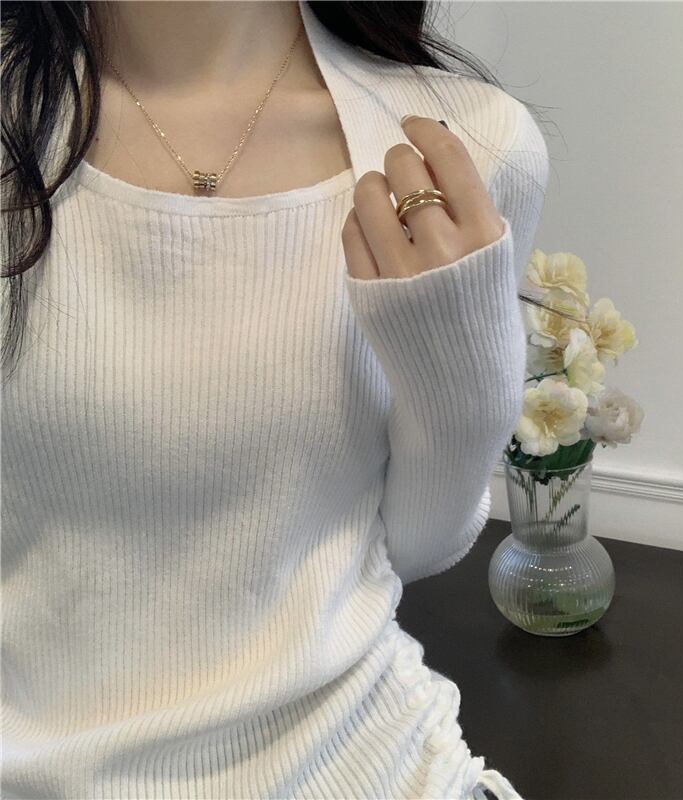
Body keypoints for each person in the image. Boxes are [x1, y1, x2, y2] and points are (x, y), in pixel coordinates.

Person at [0, 1, 549, 797]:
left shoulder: (466, 144)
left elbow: (415, 546)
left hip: (369, 764)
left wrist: (469, 385)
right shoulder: (18, 122)